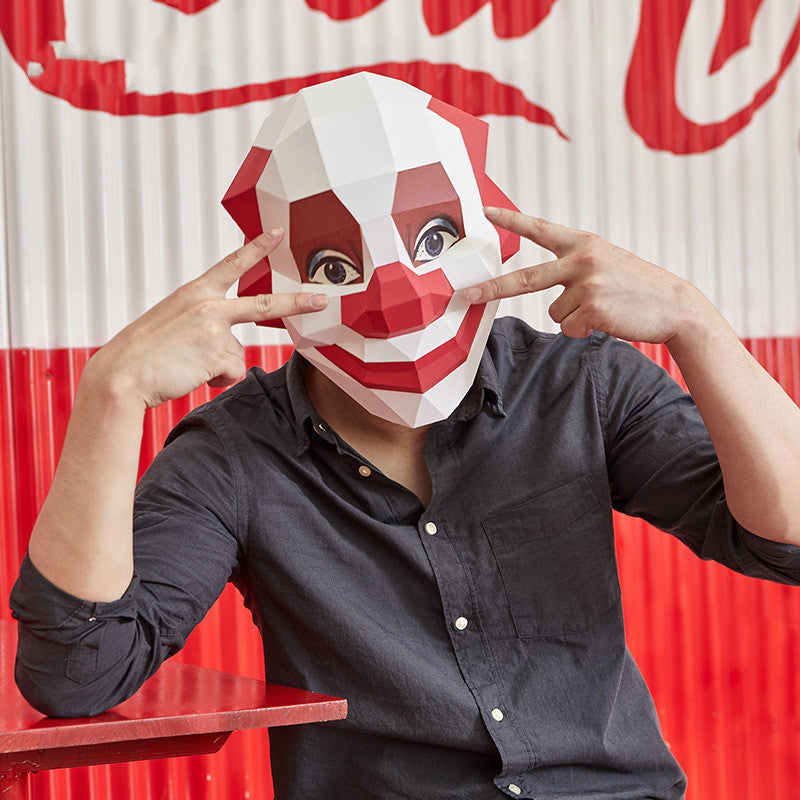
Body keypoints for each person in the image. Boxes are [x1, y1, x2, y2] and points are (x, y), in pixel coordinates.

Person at [10, 75, 800, 800]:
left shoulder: (581, 385)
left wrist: (698, 324)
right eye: (331, 262)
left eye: (432, 241)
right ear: (269, 286)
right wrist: (109, 396)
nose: (397, 300)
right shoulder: (233, 453)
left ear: (495, 227)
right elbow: (78, 675)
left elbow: (787, 541)